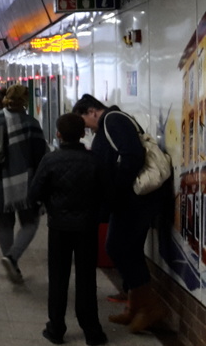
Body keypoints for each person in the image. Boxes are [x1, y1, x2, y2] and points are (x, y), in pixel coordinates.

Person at [72, 94, 166, 332]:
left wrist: (116, 189)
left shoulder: (114, 121)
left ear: (92, 111)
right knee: (123, 248)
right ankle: (135, 308)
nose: (88, 129)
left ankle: (149, 308)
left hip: (134, 199)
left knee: (120, 247)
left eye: (85, 122)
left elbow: (132, 155)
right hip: (127, 200)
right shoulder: (109, 124)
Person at [29, 114, 107, 345]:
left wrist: (52, 204)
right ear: (84, 134)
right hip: (87, 228)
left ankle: (56, 329)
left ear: (58, 134)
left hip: (59, 227)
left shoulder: (50, 161)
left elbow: (34, 193)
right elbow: (107, 193)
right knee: (86, 278)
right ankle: (92, 331)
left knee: (58, 278)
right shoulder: (95, 160)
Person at [0, 84, 47, 283]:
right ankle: (12, 257)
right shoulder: (31, 123)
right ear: (25, 102)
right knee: (30, 222)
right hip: (25, 183)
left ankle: (13, 264)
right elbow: (40, 157)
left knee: (5, 223)